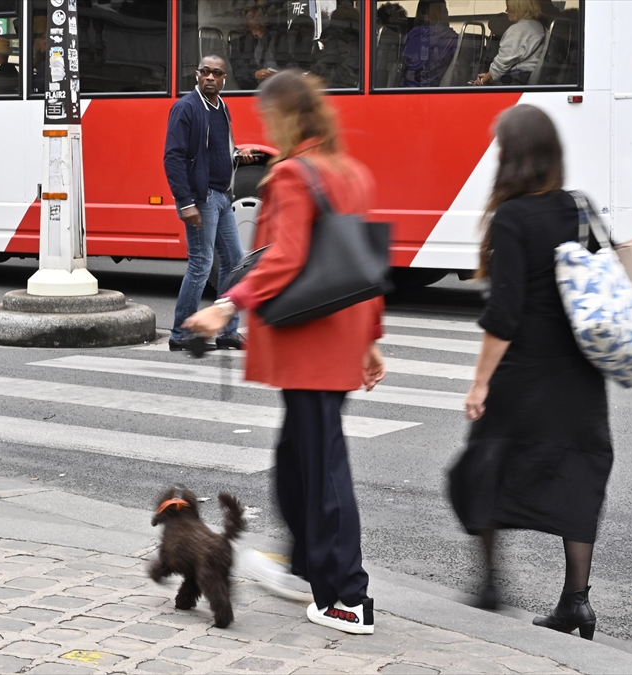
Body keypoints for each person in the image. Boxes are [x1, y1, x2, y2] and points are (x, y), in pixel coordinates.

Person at [184, 70, 386, 635]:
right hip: (337, 340)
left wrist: (228, 304)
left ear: (287, 118)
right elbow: (364, 265)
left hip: (310, 344)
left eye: (269, 117)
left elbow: (285, 256)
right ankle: (306, 565)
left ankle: (347, 596)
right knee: (299, 466)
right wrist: (370, 338)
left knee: (321, 474)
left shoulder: (294, 177)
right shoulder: (350, 172)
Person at [448, 104, 611, 640]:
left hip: (523, 375)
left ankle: (491, 582)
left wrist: (479, 384)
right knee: (577, 475)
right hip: (580, 374)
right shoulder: (578, 206)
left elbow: (505, 315)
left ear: (511, 158)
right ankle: (576, 601)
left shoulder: (513, 217)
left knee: (483, 469)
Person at [163, 55, 255, 352]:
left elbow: (217, 148)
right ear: (196, 74)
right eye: (205, 72)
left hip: (223, 197)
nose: (210, 77)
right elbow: (173, 158)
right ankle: (180, 333)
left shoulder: (222, 107)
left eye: (217, 73)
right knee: (201, 264)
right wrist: (185, 202)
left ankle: (228, 331)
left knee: (235, 261)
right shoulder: (186, 108)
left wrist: (237, 154)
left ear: (224, 78)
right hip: (201, 198)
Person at [474, 0, 545, 86]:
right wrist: (490, 75)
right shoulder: (539, 27)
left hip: (517, 81)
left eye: (509, 7)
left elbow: (502, 62)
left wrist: (484, 80)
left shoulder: (517, 30)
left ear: (519, 9)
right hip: (528, 77)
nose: (506, 10)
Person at [401, 0, 458, 87]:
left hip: (408, 91)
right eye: (445, 9)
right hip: (436, 92)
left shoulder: (412, 36)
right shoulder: (452, 38)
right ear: (442, 13)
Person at [229, 6, 287, 90]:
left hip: (278, 86)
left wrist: (279, 74)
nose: (256, 20)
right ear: (246, 23)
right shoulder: (238, 43)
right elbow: (238, 72)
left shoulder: (278, 39)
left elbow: (287, 63)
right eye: (252, 17)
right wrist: (254, 75)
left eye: (259, 16)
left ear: (265, 19)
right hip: (251, 90)